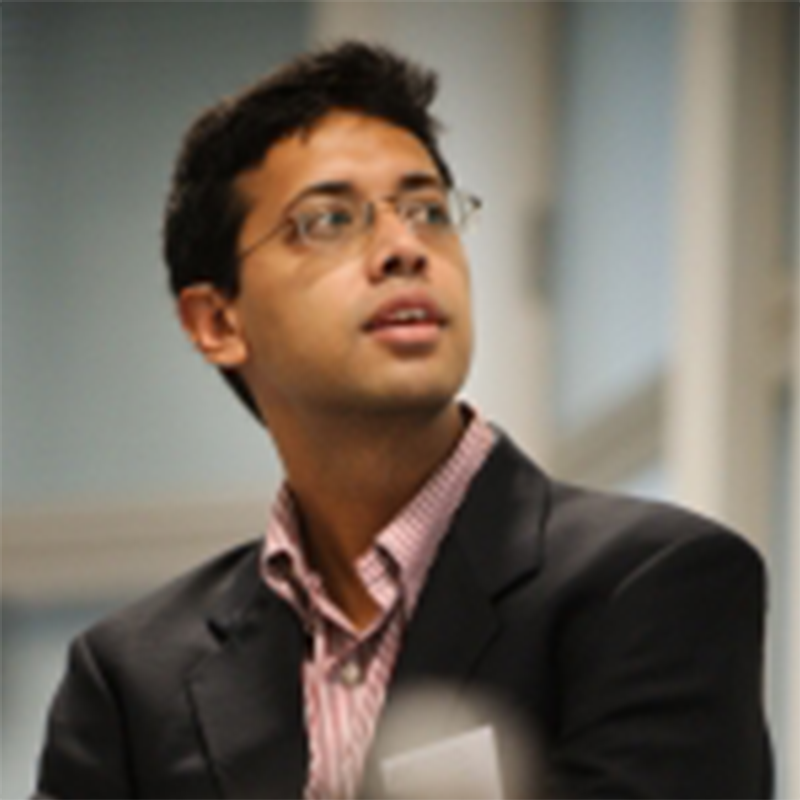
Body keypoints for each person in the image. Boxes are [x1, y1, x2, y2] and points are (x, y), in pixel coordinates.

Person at [34, 41, 771, 800]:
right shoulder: (131, 681)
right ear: (218, 321)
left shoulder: (650, 585)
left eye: (427, 211)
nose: (404, 248)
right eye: (328, 220)